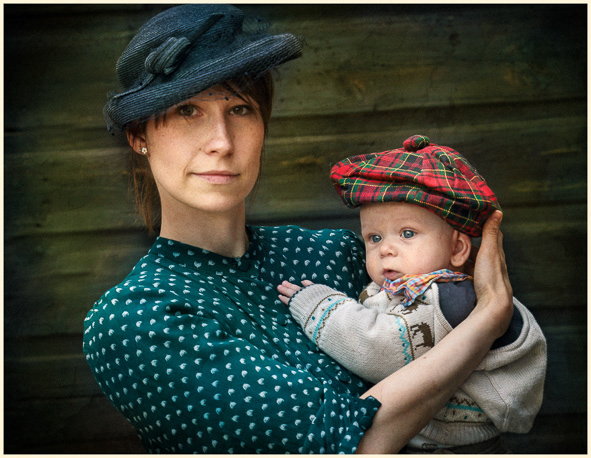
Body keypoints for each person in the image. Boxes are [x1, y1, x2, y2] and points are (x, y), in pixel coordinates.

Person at [83, 5, 515, 454]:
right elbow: (347, 445)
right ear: (139, 136)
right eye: (188, 110)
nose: (222, 142)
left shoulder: (334, 253)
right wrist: (488, 318)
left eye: (240, 108)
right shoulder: (136, 319)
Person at [278, 135, 547, 453]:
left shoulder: (449, 298)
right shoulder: (407, 287)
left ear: (457, 249)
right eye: (374, 238)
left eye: (407, 233)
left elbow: (381, 349)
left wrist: (319, 306)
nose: (386, 249)